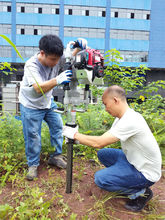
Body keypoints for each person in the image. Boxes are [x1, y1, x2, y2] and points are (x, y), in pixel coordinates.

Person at [63, 85, 162, 212]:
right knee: (103, 154)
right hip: (133, 161)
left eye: (105, 104)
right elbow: (104, 139)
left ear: (115, 100)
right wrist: (76, 139)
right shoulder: (122, 118)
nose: (105, 108)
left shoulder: (130, 120)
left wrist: (74, 134)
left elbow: (99, 142)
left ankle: (141, 193)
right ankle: (124, 178)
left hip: (145, 173)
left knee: (101, 179)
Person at [19, 34, 87, 180]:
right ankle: (33, 165)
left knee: (57, 127)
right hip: (31, 105)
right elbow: (38, 88)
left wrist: (78, 46)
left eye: (57, 59)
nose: (56, 63)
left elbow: (69, 56)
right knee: (33, 136)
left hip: (48, 103)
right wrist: (57, 80)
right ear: (42, 53)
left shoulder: (55, 58)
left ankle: (55, 156)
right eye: (53, 60)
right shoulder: (31, 65)